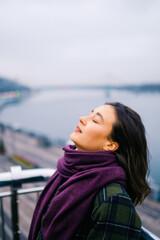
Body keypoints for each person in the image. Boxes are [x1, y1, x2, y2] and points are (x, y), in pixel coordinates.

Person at [28, 102, 151, 240]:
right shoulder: (67, 172)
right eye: (89, 114)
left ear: (110, 145)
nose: (82, 118)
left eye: (95, 120)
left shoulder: (114, 201)